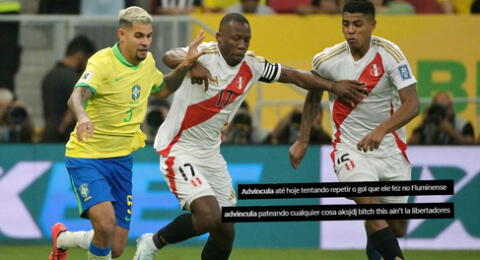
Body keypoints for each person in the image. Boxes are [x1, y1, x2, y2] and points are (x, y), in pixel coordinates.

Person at [132, 12, 368, 260]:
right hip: (178, 148)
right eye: (235, 39)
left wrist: (333, 86)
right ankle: (152, 242)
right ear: (220, 38)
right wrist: (191, 63)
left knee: (225, 230)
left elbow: (294, 75)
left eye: (246, 39)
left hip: (210, 153)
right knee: (208, 216)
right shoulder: (206, 54)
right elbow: (170, 55)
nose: (242, 45)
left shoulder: (252, 65)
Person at [48, 6, 207, 260]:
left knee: (116, 247)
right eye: (139, 36)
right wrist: (83, 115)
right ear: (122, 34)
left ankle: (63, 239)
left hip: (121, 161)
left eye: (149, 36)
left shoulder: (148, 63)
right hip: (88, 157)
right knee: (106, 226)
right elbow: (77, 95)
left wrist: (185, 66)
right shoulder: (102, 62)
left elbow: (163, 89)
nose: (145, 42)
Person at [289, 1, 419, 260]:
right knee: (365, 197)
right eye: (345, 24)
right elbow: (313, 96)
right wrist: (302, 140)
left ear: (372, 24)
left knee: (397, 228)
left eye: (358, 24)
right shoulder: (327, 60)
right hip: (350, 148)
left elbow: (413, 104)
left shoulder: (391, 54)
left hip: (389, 149)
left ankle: (376, 241)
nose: (350, 30)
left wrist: (381, 131)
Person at [41, 35, 96, 143]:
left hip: (48, 133)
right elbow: (74, 106)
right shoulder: (74, 79)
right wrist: (62, 127)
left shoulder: (49, 76)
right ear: (80, 56)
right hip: (66, 136)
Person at [409, 91, 475, 145]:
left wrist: (450, 131)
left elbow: (472, 145)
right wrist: (423, 122)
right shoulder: (427, 124)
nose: (441, 111)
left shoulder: (463, 125)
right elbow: (411, 144)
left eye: (445, 107)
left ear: (451, 106)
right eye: (438, 107)